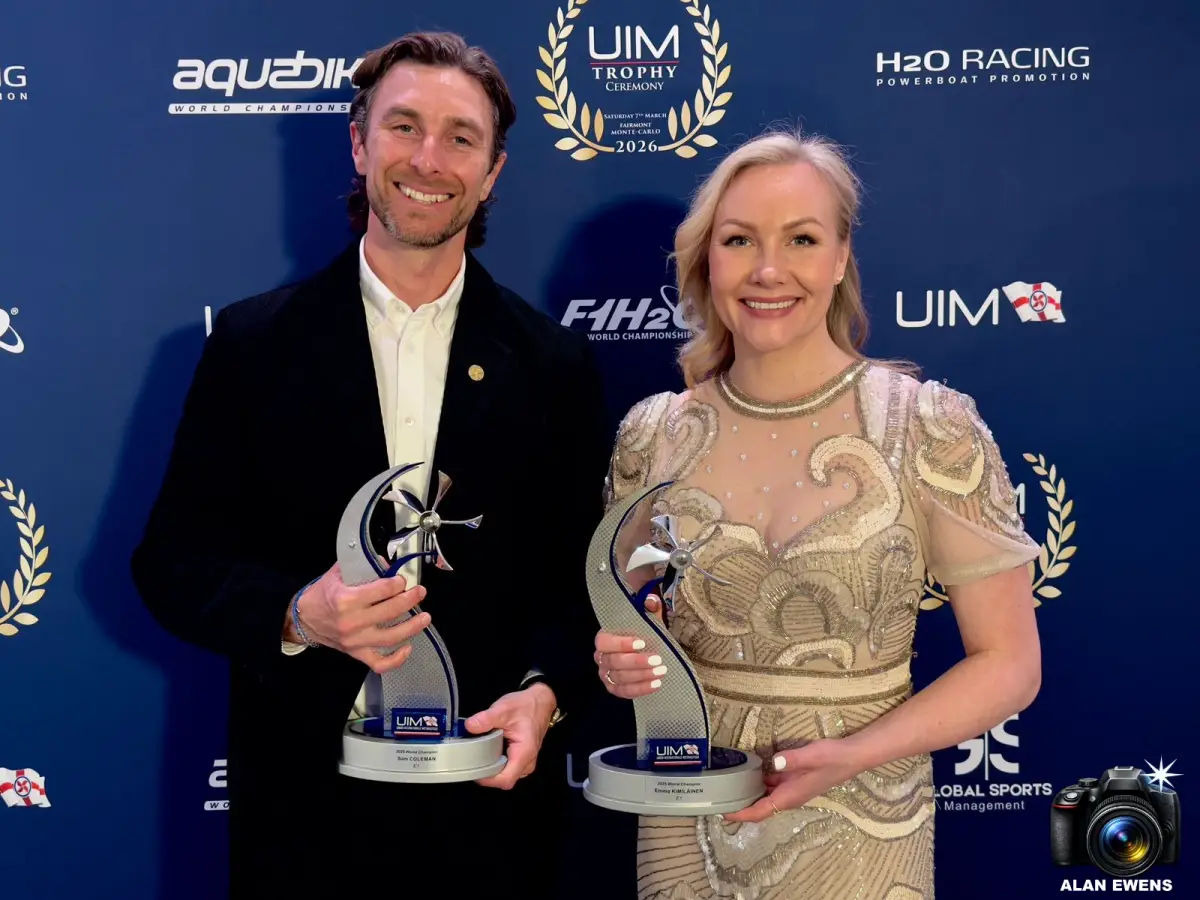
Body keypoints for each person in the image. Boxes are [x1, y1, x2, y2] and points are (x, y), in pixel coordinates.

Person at [131, 32, 608, 898]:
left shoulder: (554, 365)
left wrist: (543, 694)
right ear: (359, 143)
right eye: (404, 127)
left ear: (494, 169)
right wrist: (298, 615)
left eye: (461, 137)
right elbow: (170, 564)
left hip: (492, 807)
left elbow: (579, 588)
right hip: (304, 814)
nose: (429, 160)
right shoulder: (251, 346)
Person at [592, 129, 1042, 899]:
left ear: (839, 260)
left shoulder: (928, 427)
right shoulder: (651, 435)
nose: (769, 270)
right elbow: (631, 621)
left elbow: (1010, 664)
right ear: (709, 260)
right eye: (740, 240)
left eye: (801, 239)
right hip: (685, 827)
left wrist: (853, 755)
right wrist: (620, 661)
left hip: (863, 830)